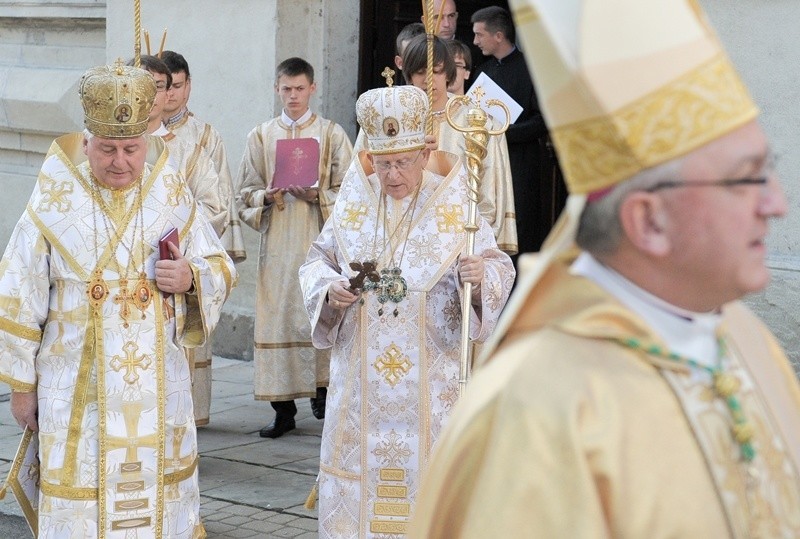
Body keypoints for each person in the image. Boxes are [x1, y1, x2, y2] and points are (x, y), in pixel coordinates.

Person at [411, 1, 800, 537]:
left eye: (767, 171)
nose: (775, 203)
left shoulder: (747, 340)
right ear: (648, 220)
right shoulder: (538, 413)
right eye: (745, 179)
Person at [0, 61, 236, 537]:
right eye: (108, 149)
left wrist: (191, 276)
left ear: (146, 144)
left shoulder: (167, 189)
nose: (120, 161)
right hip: (76, 390)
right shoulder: (53, 199)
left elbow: (218, 265)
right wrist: (22, 387)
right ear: (87, 141)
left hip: (158, 388)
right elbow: (16, 295)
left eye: (131, 149)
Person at [299, 84, 515, 537]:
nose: (392, 175)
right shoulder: (355, 205)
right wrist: (329, 290)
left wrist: (479, 278)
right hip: (360, 386)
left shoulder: (457, 206)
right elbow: (317, 261)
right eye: (383, 163)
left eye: (402, 162)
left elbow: (498, 266)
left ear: (424, 152)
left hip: (430, 385)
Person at [237, 57, 353, 438]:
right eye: (286, 89)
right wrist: (266, 197)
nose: (293, 96)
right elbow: (244, 193)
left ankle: (323, 394)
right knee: (279, 317)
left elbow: (353, 195)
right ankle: (282, 410)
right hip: (278, 247)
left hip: (318, 242)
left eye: (300, 89)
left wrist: (319, 195)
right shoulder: (261, 135)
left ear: (313, 89)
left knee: (318, 313)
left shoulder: (332, 134)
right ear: (277, 89)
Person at [160, 49, 245, 426]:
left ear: (186, 86)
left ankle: (186, 429)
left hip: (183, 256)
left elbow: (218, 203)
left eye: (176, 86)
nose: (170, 95)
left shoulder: (201, 139)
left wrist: (183, 237)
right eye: (164, 87)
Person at [399, 33, 517, 254]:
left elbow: (487, 189)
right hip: (403, 240)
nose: (428, 80)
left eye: (436, 71)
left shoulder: (474, 120)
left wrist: (475, 244)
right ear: (408, 74)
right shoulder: (394, 117)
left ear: (449, 73)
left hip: (460, 241)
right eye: (420, 72)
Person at [471, 5, 566, 256]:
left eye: (480, 35)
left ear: (498, 36)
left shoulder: (531, 69)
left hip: (521, 161)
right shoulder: (484, 72)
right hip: (489, 160)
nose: (475, 41)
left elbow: (542, 119)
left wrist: (505, 133)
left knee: (522, 223)